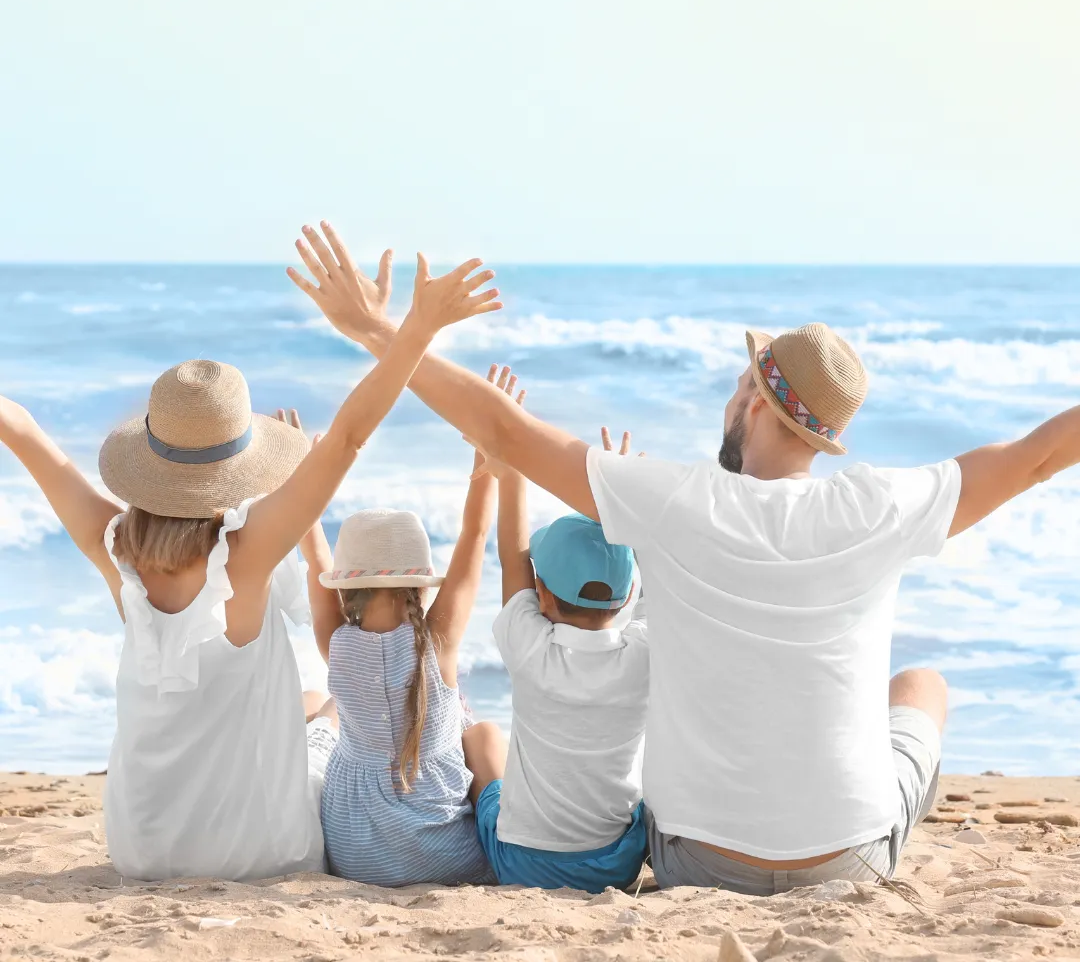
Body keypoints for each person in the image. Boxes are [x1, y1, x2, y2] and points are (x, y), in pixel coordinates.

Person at [289, 222, 1080, 894]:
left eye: (741, 384)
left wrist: (377, 331)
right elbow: (1038, 457)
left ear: (758, 403)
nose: (730, 399)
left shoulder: (675, 503)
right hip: (850, 862)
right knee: (920, 687)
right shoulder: (880, 505)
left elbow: (505, 433)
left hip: (694, 863)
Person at [0, 248, 499, 882]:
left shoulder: (112, 546)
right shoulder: (247, 554)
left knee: (319, 702)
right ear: (236, 471)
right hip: (264, 851)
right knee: (328, 715)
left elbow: (18, 427)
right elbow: (347, 436)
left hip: (141, 850)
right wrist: (416, 330)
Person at [305, 376, 508, 887]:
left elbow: (314, 561)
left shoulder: (337, 644)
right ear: (419, 585)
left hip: (356, 854)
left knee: (318, 712)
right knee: (480, 731)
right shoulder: (436, 642)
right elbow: (475, 536)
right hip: (449, 856)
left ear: (346, 591)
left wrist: (304, 481)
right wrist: (486, 458)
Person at [471, 376, 649, 893]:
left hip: (522, 864)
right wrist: (626, 501)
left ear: (541, 594)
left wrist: (508, 472)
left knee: (482, 739)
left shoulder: (530, 649)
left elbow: (512, 557)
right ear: (628, 593)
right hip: (618, 863)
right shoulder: (645, 654)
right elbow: (658, 567)